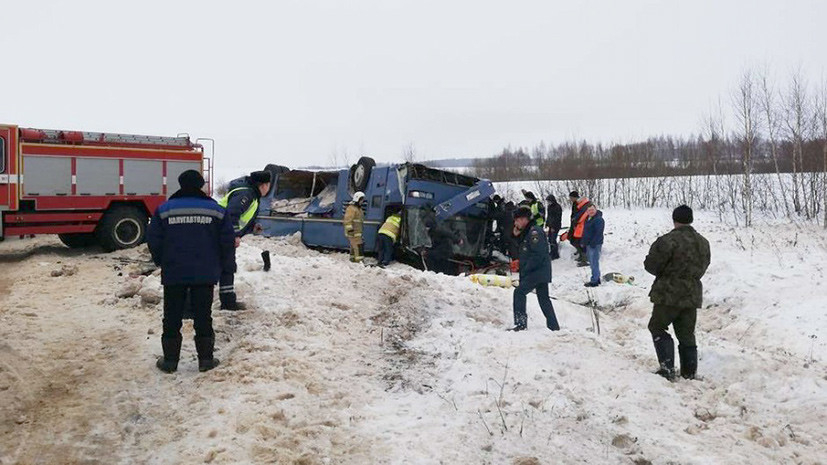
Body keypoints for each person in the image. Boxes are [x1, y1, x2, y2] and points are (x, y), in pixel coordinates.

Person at [147, 170, 235, 373]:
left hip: (174, 272)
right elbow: (227, 241)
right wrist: (220, 265)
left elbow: (153, 240)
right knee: (203, 315)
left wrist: (162, 261)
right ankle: (206, 360)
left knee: (171, 316)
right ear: (201, 185)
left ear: (180, 184)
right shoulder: (217, 210)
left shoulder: (164, 209)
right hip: (205, 272)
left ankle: (170, 362)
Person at [644, 205, 711, 381]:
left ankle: (667, 368)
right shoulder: (703, 243)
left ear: (674, 220)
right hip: (692, 293)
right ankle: (689, 372)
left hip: (668, 293)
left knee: (657, 327)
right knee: (686, 333)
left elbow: (651, 265)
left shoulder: (667, 241)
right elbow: (704, 266)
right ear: (691, 219)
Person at [217, 170, 272, 310]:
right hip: (220, 233)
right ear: (263, 185)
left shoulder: (251, 194)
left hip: (221, 232)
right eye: (268, 185)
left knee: (226, 266)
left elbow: (241, 217)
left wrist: (252, 227)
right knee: (226, 266)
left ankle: (226, 300)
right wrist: (235, 235)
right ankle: (227, 302)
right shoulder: (246, 194)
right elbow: (232, 214)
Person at [509, 206, 560, 332]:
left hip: (536, 271)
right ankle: (553, 326)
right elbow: (523, 247)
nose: (515, 223)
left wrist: (525, 268)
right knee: (543, 299)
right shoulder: (528, 231)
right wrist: (516, 234)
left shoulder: (534, 232)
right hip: (540, 271)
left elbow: (538, 254)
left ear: (523, 219)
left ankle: (521, 324)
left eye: (517, 221)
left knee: (519, 293)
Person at [563, 191, 590, 266]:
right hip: (575, 225)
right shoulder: (575, 203)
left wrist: (575, 221)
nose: (570, 199)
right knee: (572, 239)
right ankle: (581, 255)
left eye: (571, 197)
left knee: (579, 242)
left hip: (580, 226)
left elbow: (581, 215)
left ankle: (584, 259)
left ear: (575, 197)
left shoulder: (581, 204)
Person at [581, 204, 604, 287]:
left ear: (596, 209)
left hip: (595, 244)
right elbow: (585, 231)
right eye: (589, 210)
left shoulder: (598, 219)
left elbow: (599, 232)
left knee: (594, 262)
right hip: (589, 244)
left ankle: (594, 281)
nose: (591, 211)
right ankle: (596, 278)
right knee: (592, 262)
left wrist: (593, 243)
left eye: (592, 210)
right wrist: (583, 241)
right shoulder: (588, 219)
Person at [344, 191, 366, 263]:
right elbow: (347, 220)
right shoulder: (351, 208)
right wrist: (350, 230)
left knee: (354, 246)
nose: (362, 202)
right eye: (361, 200)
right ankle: (359, 261)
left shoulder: (358, 209)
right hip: (353, 232)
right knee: (358, 246)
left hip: (357, 231)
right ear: (357, 199)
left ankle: (353, 259)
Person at [545, 194, 562, 260]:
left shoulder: (557, 207)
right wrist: (547, 224)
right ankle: (552, 252)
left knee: (553, 240)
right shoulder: (549, 207)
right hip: (550, 225)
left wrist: (553, 227)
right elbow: (549, 216)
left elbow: (557, 218)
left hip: (555, 226)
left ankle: (555, 254)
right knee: (550, 239)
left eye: (549, 201)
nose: (548, 202)